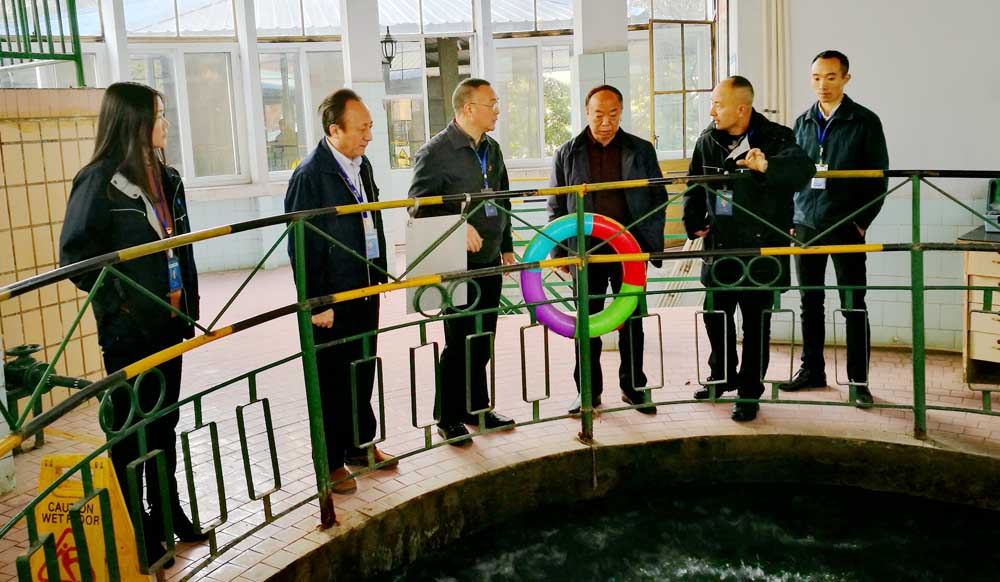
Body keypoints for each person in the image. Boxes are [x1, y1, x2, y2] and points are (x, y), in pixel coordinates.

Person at [59, 82, 205, 567]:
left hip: (169, 322)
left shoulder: (169, 178)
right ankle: (132, 525)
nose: (166, 124)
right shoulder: (97, 181)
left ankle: (166, 510)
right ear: (133, 122)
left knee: (164, 422)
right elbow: (75, 258)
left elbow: (181, 245)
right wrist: (121, 305)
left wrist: (188, 304)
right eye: (158, 115)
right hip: (128, 331)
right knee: (128, 430)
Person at [683, 76, 814, 422]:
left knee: (755, 323)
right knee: (716, 314)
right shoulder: (707, 140)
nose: (711, 111)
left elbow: (803, 170)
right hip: (720, 246)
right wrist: (692, 220)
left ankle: (749, 392)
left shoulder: (776, 137)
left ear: (741, 109)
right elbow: (694, 184)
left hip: (761, 250)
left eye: (718, 104)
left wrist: (765, 166)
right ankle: (722, 377)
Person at [284, 89, 396, 494]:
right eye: (361, 128)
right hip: (332, 299)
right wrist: (318, 300)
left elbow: (369, 221)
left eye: (370, 127)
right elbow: (300, 244)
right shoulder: (311, 175)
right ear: (334, 130)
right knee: (332, 379)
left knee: (361, 368)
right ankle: (330, 463)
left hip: (363, 287)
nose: (369, 136)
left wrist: (378, 273)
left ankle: (360, 446)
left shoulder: (361, 167)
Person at [408, 78, 516, 445]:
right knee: (458, 342)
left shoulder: (492, 148)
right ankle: (448, 416)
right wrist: (457, 225)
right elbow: (417, 207)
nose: (497, 110)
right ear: (468, 109)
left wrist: (506, 245)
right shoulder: (435, 152)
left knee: (482, 339)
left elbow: (502, 199)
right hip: (455, 263)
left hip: (489, 260)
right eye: (491, 104)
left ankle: (477, 409)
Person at [779, 50, 889, 407]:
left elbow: (879, 178)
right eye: (816, 78)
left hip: (845, 225)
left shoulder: (864, 121)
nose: (822, 85)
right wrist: (791, 221)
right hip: (806, 226)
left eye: (830, 77)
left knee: (853, 303)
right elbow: (791, 176)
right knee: (810, 302)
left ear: (845, 79)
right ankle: (812, 370)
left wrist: (860, 222)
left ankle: (858, 381)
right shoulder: (802, 122)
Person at [547, 84, 665, 415]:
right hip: (586, 253)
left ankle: (634, 387)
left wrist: (647, 247)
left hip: (629, 252)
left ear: (621, 113)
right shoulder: (567, 152)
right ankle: (587, 392)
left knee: (633, 321)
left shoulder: (640, 150)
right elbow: (556, 205)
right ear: (587, 113)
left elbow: (658, 198)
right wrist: (560, 253)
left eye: (613, 114)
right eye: (598, 114)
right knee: (587, 324)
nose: (605, 122)